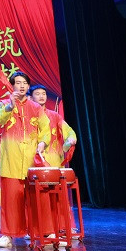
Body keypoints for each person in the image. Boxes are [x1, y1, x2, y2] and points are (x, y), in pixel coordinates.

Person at [0, 71, 50, 248]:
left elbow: (45, 129)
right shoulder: (3, 104)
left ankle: (39, 231)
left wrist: (42, 143)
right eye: (18, 83)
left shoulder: (36, 108)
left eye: (24, 83)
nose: (22, 86)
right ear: (12, 86)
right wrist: (10, 106)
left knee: (35, 198)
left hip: (32, 160)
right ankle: (8, 235)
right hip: (12, 159)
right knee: (10, 200)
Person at [29, 84, 79, 240]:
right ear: (31, 97)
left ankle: (63, 227)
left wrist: (70, 140)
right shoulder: (29, 117)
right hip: (35, 161)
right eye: (37, 93)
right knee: (38, 197)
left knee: (59, 196)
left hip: (53, 161)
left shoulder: (54, 116)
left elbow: (69, 132)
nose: (41, 96)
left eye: (43, 93)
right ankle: (38, 229)